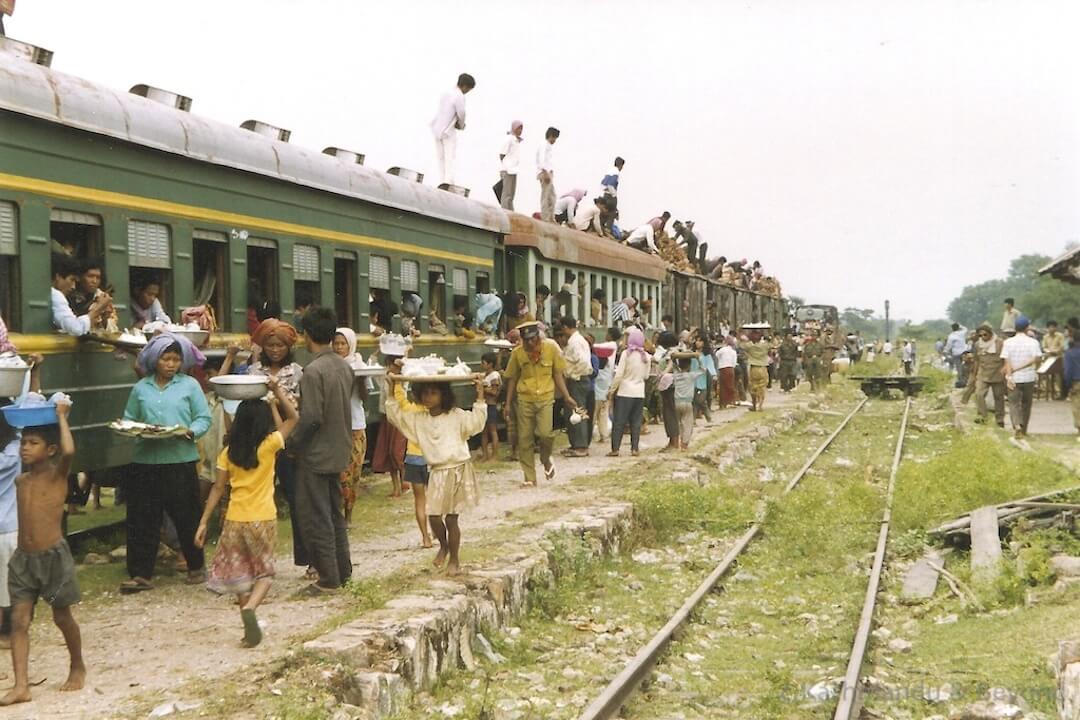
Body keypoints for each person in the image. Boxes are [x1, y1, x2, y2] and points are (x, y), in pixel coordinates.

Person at [195, 376, 298, 648]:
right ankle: (251, 608)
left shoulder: (227, 453)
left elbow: (217, 489)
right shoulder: (269, 446)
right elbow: (293, 419)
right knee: (264, 574)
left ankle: (246, 628)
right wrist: (276, 392)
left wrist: (203, 522)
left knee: (241, 576)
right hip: (263, 517)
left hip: (235, 520)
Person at [0, 400, 86, 706]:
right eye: (23, 442)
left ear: (49, 450)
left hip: (53, 558)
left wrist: (63, 417)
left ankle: (77, 664)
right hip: (23, 560)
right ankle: (21, 685)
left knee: (62, 617)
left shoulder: (57, 475)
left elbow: (70, 451)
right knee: (18, 621)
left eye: (33, 443)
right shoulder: (21, 480)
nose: (25, 448)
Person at [119, 334, 209, 593]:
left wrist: (190, 432)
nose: (171, 364)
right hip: (145, 460)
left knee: (187, 514)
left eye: (176, 359)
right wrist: (135, 430)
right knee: (141, 517)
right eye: (165, 359)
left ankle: (195, 565)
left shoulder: (190, 386)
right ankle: (141, 574)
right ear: (154, 361)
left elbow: (203, 418)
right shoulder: (141, 389)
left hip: (180, 459)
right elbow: (129, 418)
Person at [385, 376, 486, 576]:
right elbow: (396, 416)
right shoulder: (419, 420)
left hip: (458, 469)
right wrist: (391, 390)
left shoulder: (456, 415)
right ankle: (444, 546)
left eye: (434, 393)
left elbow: (476, 422)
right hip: (438, 471)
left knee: (451, 519)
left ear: (443, 395)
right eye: (425, 393)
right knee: (433, 516)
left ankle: (455, 560)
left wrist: (480, 395)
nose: (428, 397)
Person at [287, 308, 354, 593]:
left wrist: (292, 444)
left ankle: (328, 578)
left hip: (316, 454)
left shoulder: (313, 371)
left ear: (307, 335)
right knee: (334, 514)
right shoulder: (343, 366)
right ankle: (343, 570)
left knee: (317, 515)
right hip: (339, 449)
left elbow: (312, 416)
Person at [239, 318, 308, 572]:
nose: (275, 350)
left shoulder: (298, 372)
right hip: (259, 442)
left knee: (296, 497)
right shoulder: (254, 371)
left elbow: (300, 406)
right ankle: (254, 561)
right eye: (270, 345)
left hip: (288, 443)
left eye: (280, 345)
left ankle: (308, 557)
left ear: (288, 347)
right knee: (255, 498)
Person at [503, 321, 579, 486]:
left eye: (533, 339)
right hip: (525, 399)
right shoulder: (517, 354)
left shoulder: (551, 348)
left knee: (545, 433)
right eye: (526, 340)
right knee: (524, 439)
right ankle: (529, 477)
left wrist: (567, 396)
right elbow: (512, 378)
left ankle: (545, 458)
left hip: (545, 397)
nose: (530, 343)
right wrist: (508, 403)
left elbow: (557, 373)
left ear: (538, 336)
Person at [332, 328, 370, 526]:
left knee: (353, 474)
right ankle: (337, 515)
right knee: (340, 474)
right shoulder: (329, 366)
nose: (339, 348)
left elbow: (364, 396)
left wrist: (359, 379)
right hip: (335, 427)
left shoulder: (360, 366)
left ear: (350, 345)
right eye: (336, 344)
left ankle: (348, 515)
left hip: (356, 425)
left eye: (342, 344)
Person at [607, 327, 651, 457]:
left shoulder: (626, 354)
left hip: (625, 392)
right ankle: (634, 449)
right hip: (639, 392)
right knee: (636, 422)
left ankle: (615, 449)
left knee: (619, 421)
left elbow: (619, 374)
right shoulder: (646, 356)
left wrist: (612, 390)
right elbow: (646, 376)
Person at [430, 73, 476, 185]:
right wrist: (461, 125)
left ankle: (442, 180)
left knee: (440, 157)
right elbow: (461, 113)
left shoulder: (446, 93)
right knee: (450, 157)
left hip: (437, 128)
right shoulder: (459, 96)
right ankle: (448, 181)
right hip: (448, 131)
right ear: (465, 86)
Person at [1001, 316, 1041, 440]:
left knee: (1013, 404)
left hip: (1014, 378)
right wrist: (1035, 369)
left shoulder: (1008, 342)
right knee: (1026, 404)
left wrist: (1009, 376)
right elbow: (1037, 359)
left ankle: (1016, 425)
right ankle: (1024, 431)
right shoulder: (1033, 342)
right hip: (1029, 377)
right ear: (1027, 327)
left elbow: (1006, 361)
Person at [50, 254, 109, 337]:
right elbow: (76, 329)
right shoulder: (56, 295)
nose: (94, 281)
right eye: (72, 279)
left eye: (98, 277)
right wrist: (97, 309)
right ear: (58, 277)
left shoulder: (99, 295)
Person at [560, 316, 592, 457]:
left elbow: (583, 362)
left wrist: (573, 374)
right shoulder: (574, 341)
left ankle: (581, 446)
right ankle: (575, 443)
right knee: (571, 413)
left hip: (578, 380)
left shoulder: (576, 342)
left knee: (578, 412)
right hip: (574, 380)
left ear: (566, 327)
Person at [66, 257, 115, 332]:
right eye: (90, 276)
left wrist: (105, 319)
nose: (94, 281)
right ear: (79, 277)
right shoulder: (67, 293)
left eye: (98, 277)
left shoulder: (103, 297)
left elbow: (113, 330)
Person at [972, 323, 1006, 427]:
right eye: (980, 335)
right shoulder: (978, 345)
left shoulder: (1000, 343)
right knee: (979, 394)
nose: (983, 337)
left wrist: (1005, 372)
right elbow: (976, 361)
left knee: (999, 397)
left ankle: (999, 419)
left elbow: (1006, 359)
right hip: (983, 373)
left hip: (997, 374)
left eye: (985, 335)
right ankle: (983, 416)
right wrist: (974, 374)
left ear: (990, 334)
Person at [672, 357, 704, 450]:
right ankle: (684, 444)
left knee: (679, 424)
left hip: (677, 402)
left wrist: (674, 360)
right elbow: (703, 370)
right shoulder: (691, 375)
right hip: (687, 403)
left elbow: (674, 367)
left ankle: (678, 441)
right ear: (689, 365)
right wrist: (698, 359)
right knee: (687, 424)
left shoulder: (676, 375)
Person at [740, 329, 771, 411]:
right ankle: (760, 406)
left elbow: (741, 345)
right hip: (763, 367)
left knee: (753, 387)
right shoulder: (765, 345)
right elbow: (772, 345)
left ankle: (754, 405)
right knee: (762, 387)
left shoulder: (749, 346)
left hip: (753, 368)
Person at [497, 120, 523, 210]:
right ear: (514, 128)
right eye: (519, 128)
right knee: (506, 193)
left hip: (514, 170)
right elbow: (502, 154)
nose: (520, 130)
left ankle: (510, 211)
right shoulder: (509, 139)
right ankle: (505, 210)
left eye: (521, 128)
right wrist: (506, 166)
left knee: (511, 194)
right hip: (507, 169)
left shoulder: (516, 140)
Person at [480, 353, 501, 461]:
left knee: (492, 431)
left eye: (483, 363)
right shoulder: (485, 375)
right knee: (484, 431)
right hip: (484, 405)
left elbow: (494, 392)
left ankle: (494, 455)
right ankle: (485, 454)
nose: (481, 365)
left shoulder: (494, 376)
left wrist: (482, 388)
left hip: (491, 405)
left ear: (490, 364)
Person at [536, 127, 560, 222]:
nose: (555, 140)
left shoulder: (548, 146)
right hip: (544, 172)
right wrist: (545, 173)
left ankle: (550, 217)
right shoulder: (544, 145)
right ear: (550, 136)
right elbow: (541, 160)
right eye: (554, 138)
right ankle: (545, 217)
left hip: (548, 172)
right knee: (545, 196)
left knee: (552, 196)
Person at [690, 335, 716, 421]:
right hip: (692, 379)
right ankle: (698, 419)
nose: (698, 343)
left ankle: (705, 417)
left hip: (702, 379)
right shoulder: (692, 353)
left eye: (700, 341)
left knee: (700, 400)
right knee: (694, 400)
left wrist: (714, 374)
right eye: (696, 341)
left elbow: (710, 365)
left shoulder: (706, 355)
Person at [1042, 320, 1067, 400]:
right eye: (1050, 327)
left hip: (1058, 358)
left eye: (1053, 327)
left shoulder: (1060, 336)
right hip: (1049, 358)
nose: (1051, 329)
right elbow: (1044, 347)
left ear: (1056, 328)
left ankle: (1061, 393)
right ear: (1047, 328)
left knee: (1059, 376)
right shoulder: (1045, 337)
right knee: (1047, 375)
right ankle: (1052, 392)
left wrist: (1055, 351)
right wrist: (1047, 351)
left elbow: (1062, 346)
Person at [1064, 334, 1080, 442]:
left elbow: (1068, 371)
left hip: (1076, 382)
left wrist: (1067, 385)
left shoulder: (1070, 353)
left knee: (1077, 406)